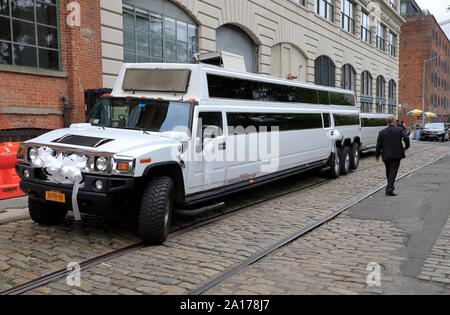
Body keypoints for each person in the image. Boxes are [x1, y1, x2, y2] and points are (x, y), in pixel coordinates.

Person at [376, 116, 410, 196]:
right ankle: (389, 189)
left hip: (386, 154)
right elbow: (406, 137)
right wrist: (406, 146)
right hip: (396, 154)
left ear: (387, 122)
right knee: (393, 171)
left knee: (389, 171)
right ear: (394, 122)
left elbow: (378, 145)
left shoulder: (382, 132)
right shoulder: (399, 130)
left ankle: (390, 187)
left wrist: (377, 155)